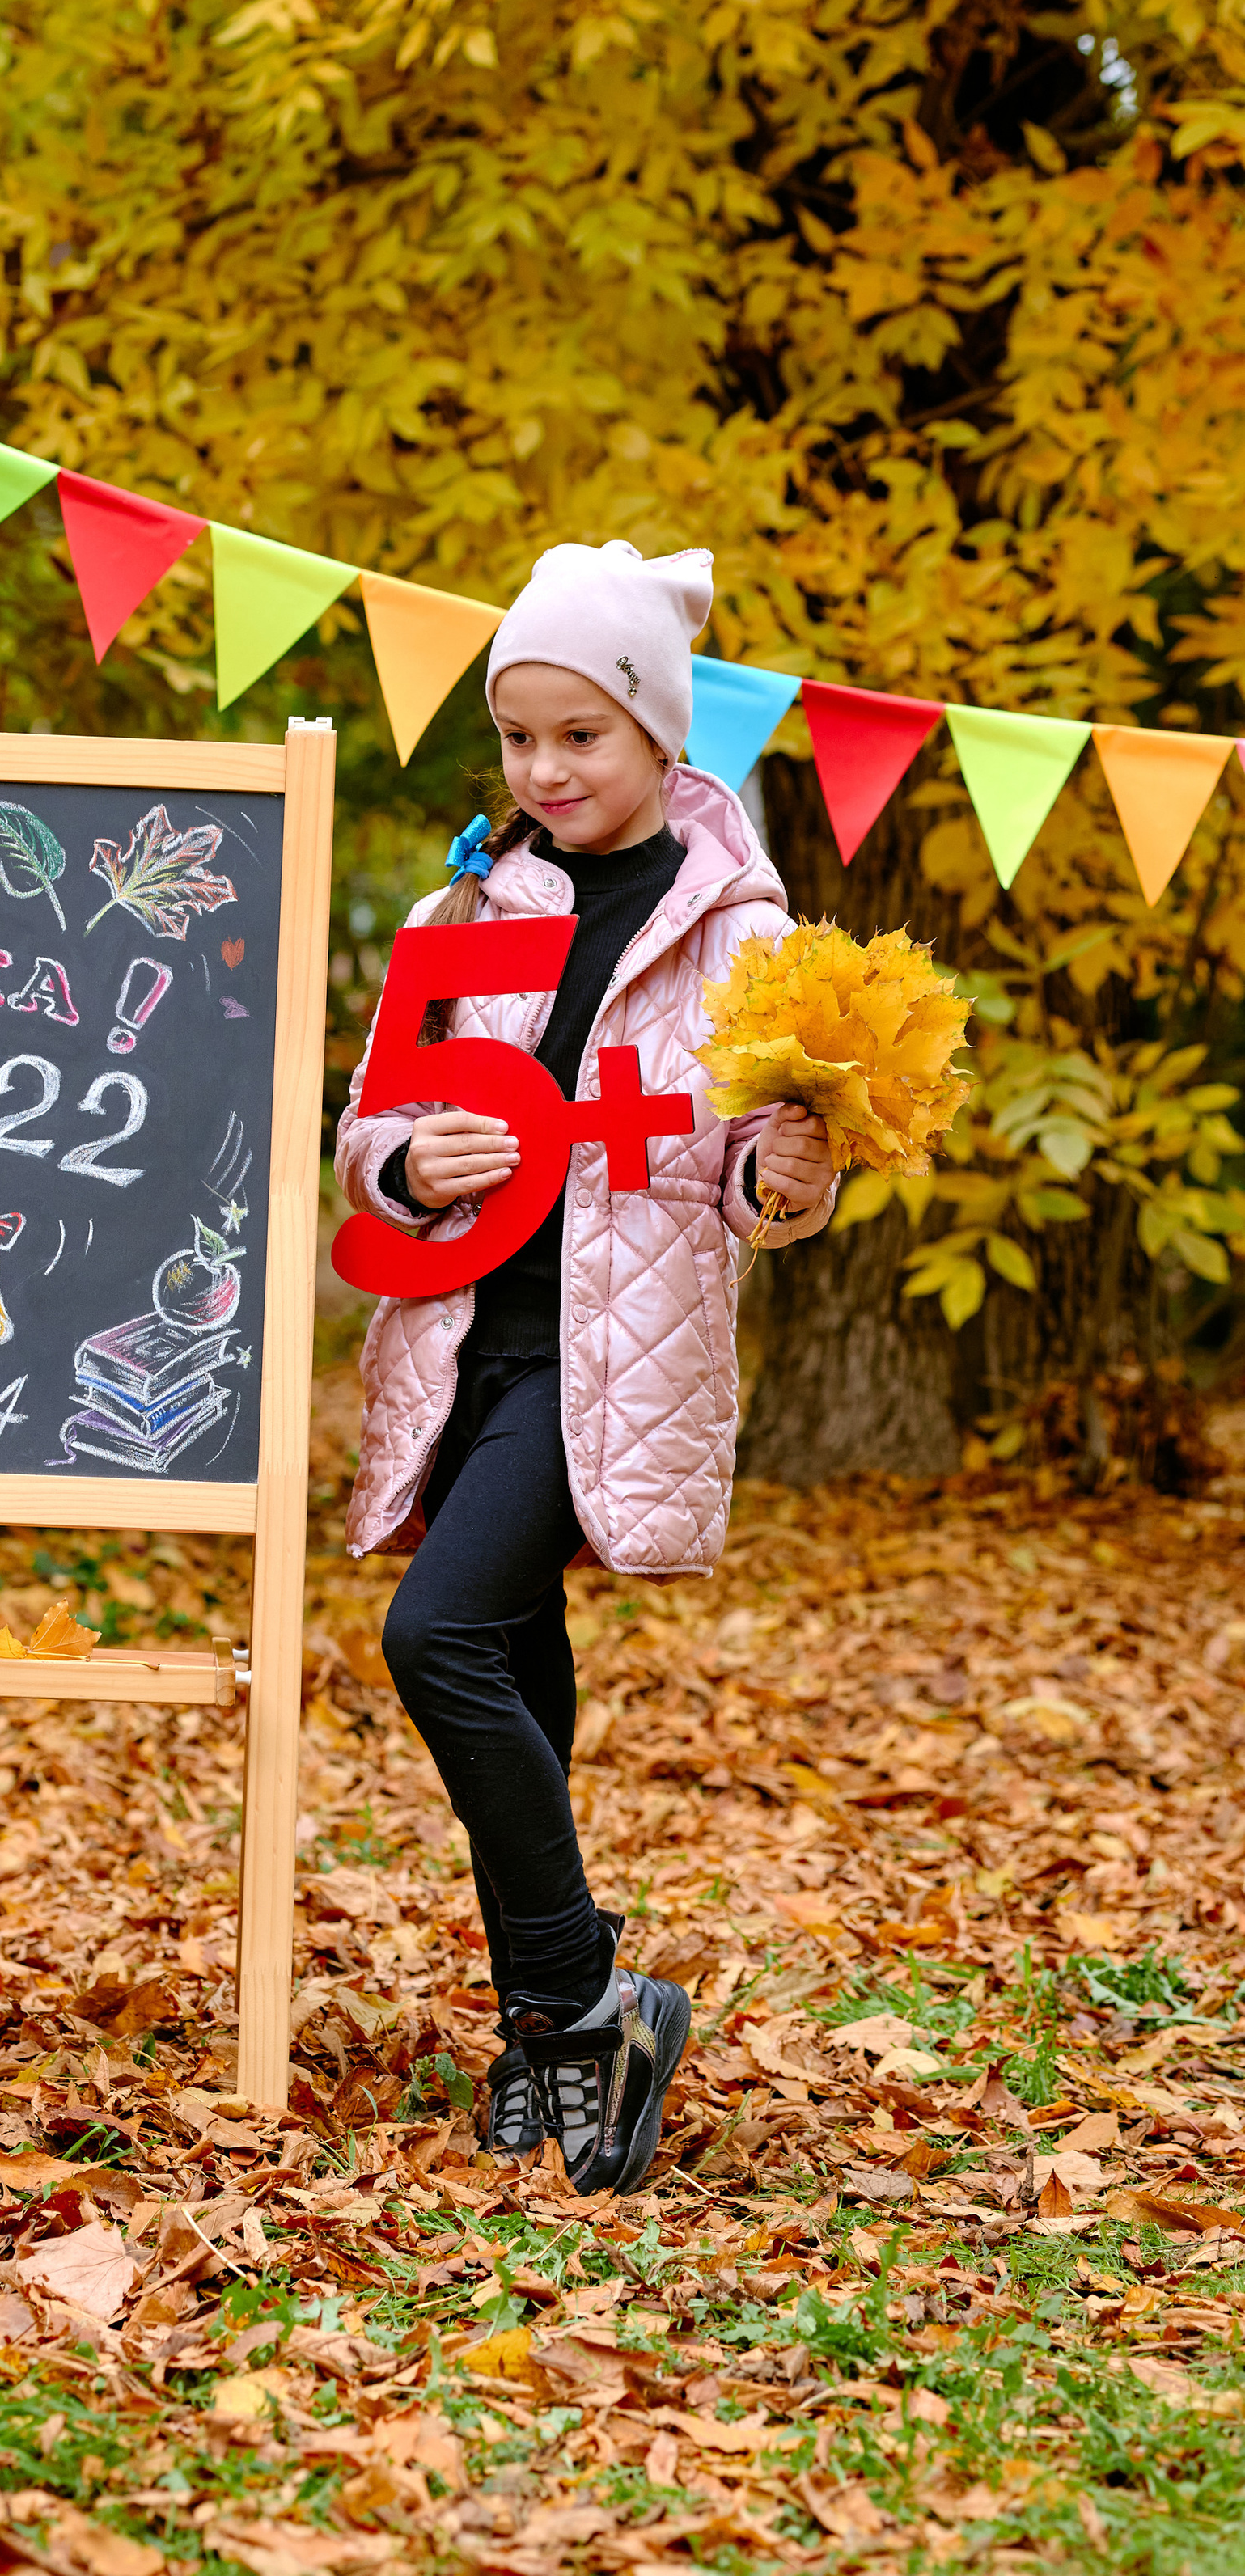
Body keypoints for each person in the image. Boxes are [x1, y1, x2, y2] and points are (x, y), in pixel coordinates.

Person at [337, 540, 836, 2190]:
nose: (545, 770)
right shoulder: (466, 906)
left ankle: (590, 1997)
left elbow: (760, 1172)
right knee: (515, 1678)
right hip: (459, 1342)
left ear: (658, 732)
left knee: (435, 1636)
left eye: (581, 735)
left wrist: (788, 1175)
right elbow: (376, 1121)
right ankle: (548, 2036)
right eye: (517, 736)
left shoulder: (738, 934)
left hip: (608, 1363)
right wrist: (405, 1165)